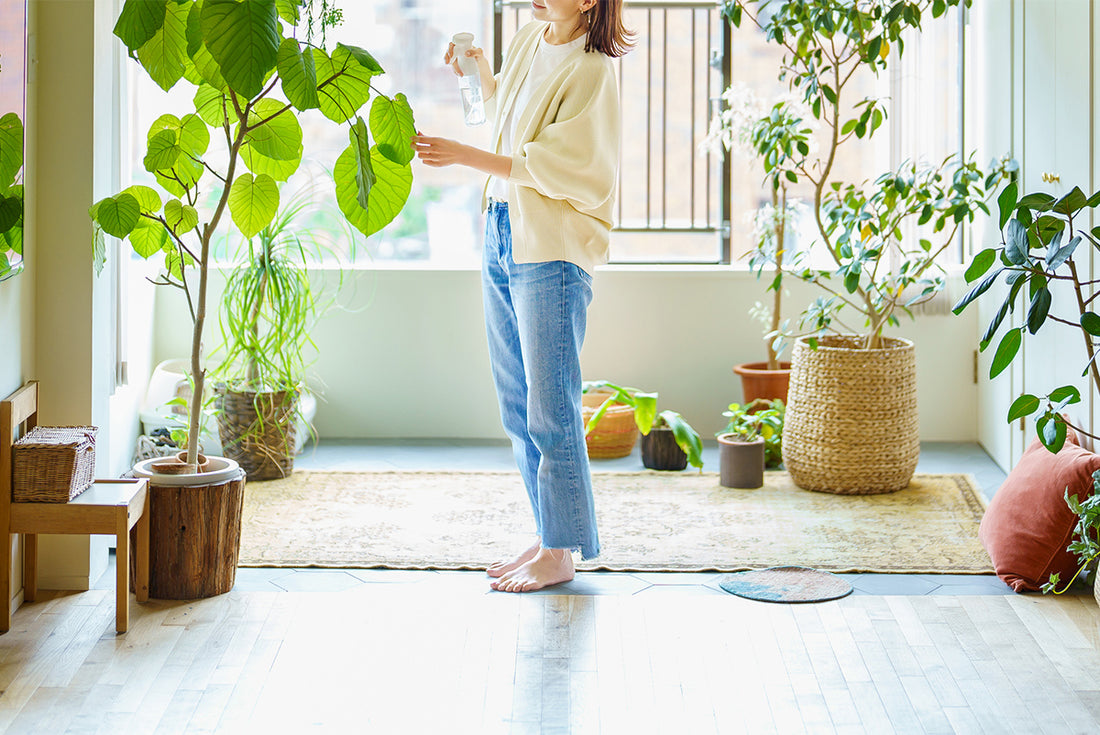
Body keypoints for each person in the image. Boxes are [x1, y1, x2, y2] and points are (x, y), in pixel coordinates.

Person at [412, 0, 632, 593]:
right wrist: (478, 71)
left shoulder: (593, 70)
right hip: (503, 229)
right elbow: (509, 117)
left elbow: (562, 166)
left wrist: (458, 154)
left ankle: (561, 551)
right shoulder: (535, 41)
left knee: (551, 407)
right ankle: (548, 535)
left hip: (551, 246)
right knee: (517, 404)